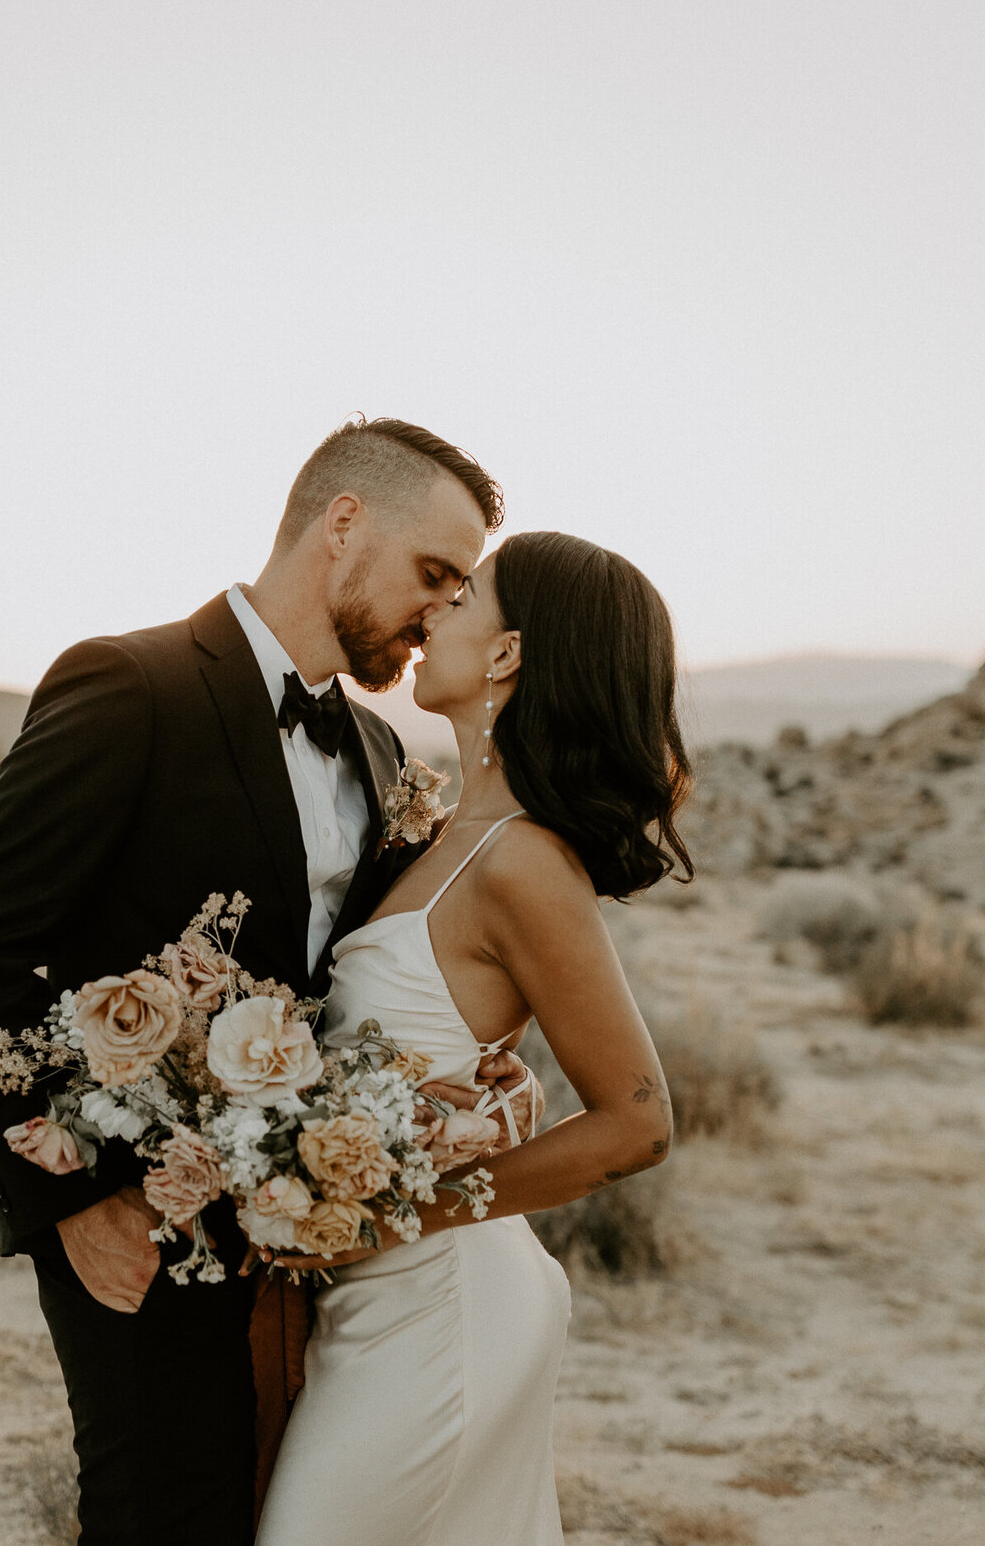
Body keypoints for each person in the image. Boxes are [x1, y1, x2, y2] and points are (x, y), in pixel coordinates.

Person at [0, 417, 540, 1546]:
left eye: (462, 591)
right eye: (433, 574)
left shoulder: (387, 753)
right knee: (163, 1511)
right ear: (343, 527)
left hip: (322, 1230)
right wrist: (75, 1202)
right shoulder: (129, 683)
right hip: (140, 1217)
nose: (440, 610)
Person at [255, 530, 694, 1546]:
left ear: (507, 655)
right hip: (374, 1299)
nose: (432, 611)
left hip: (444, 1303)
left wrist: (407, 1216)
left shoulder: (522, 862)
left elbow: (638, 1125)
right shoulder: (442, 831)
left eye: (462, 596)